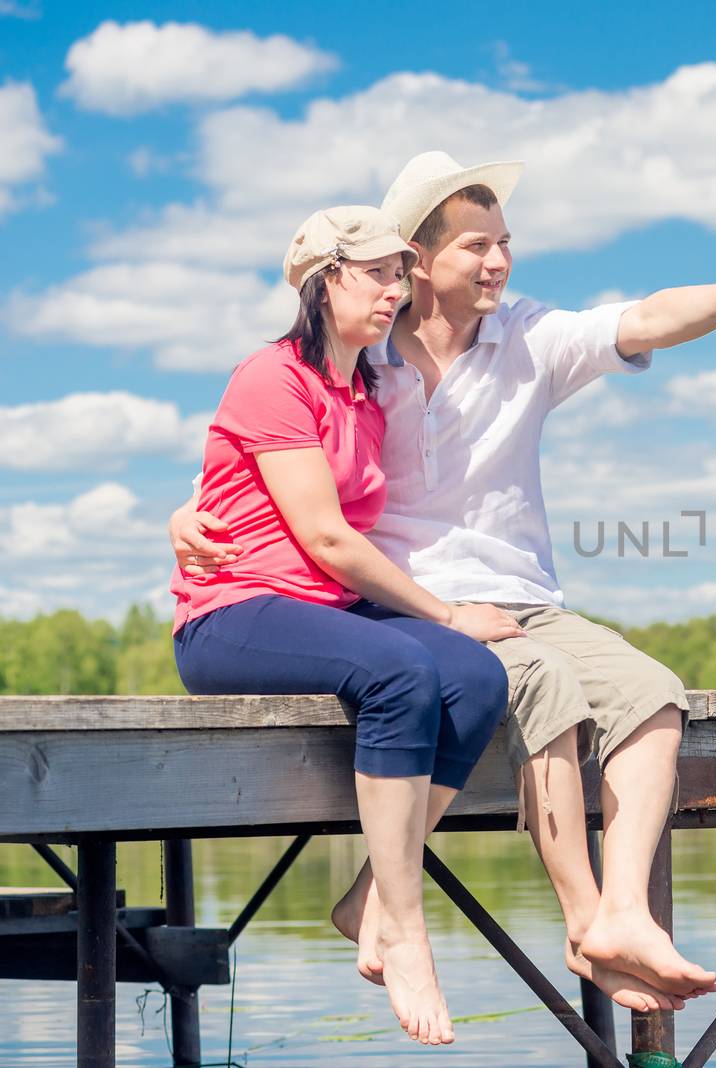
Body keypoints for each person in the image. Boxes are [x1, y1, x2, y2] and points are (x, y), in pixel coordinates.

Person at [171, 151, 716, 1014]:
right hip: (398, 604)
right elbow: (262, 453)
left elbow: (648, 317)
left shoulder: (527, 338)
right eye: (476, 245)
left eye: (505, 243)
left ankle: (624, 911)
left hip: (521, 597)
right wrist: (184, 514)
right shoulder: (365, 353)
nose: (498, 262)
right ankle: (585, 919)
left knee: (649, 691)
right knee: (537, 682)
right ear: (416, 258)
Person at [170, 205, 522, 1046]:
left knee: (475, 679)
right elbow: (326, 537)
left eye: (402, 273)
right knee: (405, 669)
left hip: (321, 611)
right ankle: (407, 927)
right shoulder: (273, 375)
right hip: (235, 615)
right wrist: (444, 612)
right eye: (379, 274)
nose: (396, 289)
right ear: (327, 282)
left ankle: (368, 895)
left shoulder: (363, 385)